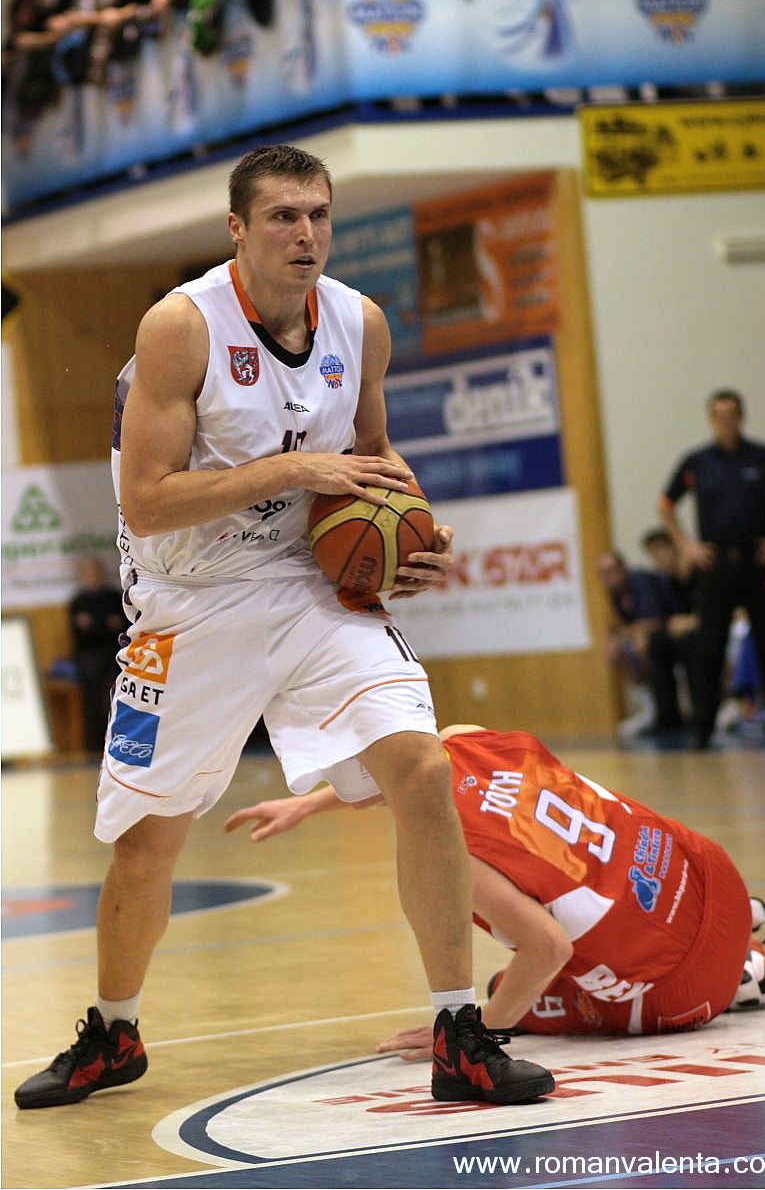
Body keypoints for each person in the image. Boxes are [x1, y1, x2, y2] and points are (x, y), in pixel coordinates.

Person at [14, 145, 552, 1110]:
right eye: (282, 217)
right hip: (190, 598)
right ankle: (114, 1032)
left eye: (319, 215)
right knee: (147, 839)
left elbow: (376, 459)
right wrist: (298, 470)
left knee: (423, 771)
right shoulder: (181, 327)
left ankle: (459, 1031)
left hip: (311, 586)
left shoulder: (360, 322)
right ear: (237, 228)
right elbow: (145, 503)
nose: (306, 235)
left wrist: (416, 535)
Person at [225, 724, 765, 1060]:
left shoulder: (449, 851)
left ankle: (748, 974)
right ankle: (747, 915)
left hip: (684, 983)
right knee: (609, 871)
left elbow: (549, 948)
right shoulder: (461, 737)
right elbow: (397, 770)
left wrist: (473, 1030)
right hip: (708, 871)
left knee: (513, 997)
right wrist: (308, 804)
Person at [658, 389, 765, 748]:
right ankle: (703, 727)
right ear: (711, 419)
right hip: (715, 565)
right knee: (709, 647)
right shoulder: (697, 462)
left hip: (757, 562)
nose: (726, 421)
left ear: (741, 416)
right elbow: (665, 504)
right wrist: (686, 546)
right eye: (719, 415)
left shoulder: (761, 456)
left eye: (731, 414)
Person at [595, 550, 665, 738]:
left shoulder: (640, 581)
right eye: (603, 573)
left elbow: (653, 620)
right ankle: (650, 706)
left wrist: (623, 635)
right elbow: (626, 623)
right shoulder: (616, 593)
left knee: (640, 645)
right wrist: (616, 637)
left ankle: (664, 706)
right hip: (644, 632)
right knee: (614, 651)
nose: (609, 576)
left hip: (667, 626)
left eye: (612, 570)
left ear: (623, 567)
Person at [640, 528, 701, 734]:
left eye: (660, 550)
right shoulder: (665, 580)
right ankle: (667, 716)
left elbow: (718, 608)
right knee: (657, 641)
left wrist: (693, 620)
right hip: (680, 631)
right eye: (652, 554)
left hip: (704, 628)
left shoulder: (698, 570)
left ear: (674, 548)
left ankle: (700, 713)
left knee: (690, 644)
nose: (658, 558)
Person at [68, 556, 126, 752]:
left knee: (128, 677)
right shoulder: (78, 602)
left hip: (114, 651)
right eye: (89, 574)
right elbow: (81, 635)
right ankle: (96, 741)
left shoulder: (115, 598)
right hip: (89, 654)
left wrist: (95, 625)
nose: (93, 577)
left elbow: (122, 629)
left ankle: (124, 736)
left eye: (96, 573)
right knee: (90, 679)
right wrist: (105, 625)